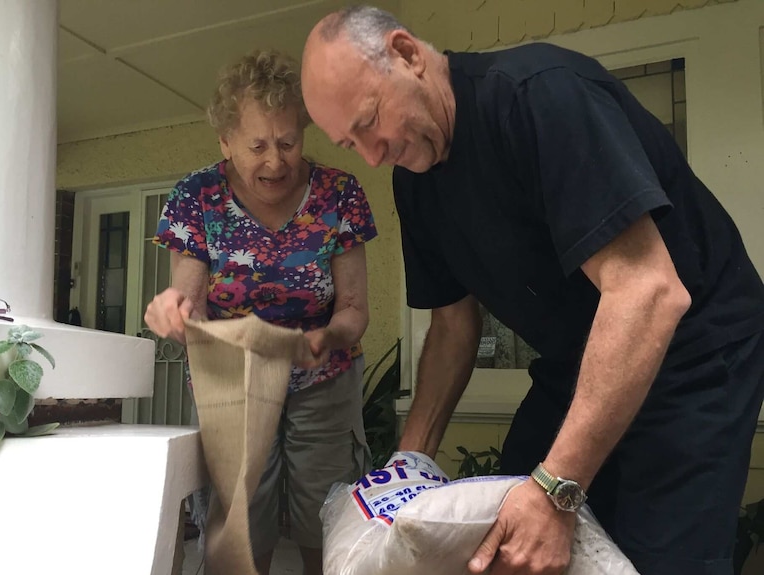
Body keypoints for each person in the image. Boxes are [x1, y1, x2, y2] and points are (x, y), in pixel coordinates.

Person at [300, 5, 764, 575]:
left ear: (408, 55)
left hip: (691, 355)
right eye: (351, 144)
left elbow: (646, 291)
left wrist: (555, 490)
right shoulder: (414, 183)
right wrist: (407, 468)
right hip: (578, 358)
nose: (372, 154)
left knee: (650, 555)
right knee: (501, 546)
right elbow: (451, 326)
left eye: (370, 120)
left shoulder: (539, 96)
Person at [144, 49, 377, 575]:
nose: (275, 161)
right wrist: (176, 313)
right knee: (242, 515)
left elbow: (355, 309)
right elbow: (191, 302)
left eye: (288, 142)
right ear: (225, 142)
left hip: (323, 374)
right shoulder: (195, 197)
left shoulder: (339, 194)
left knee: (329, 510)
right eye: (256, 146)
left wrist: (327, 339)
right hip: (231, 375)